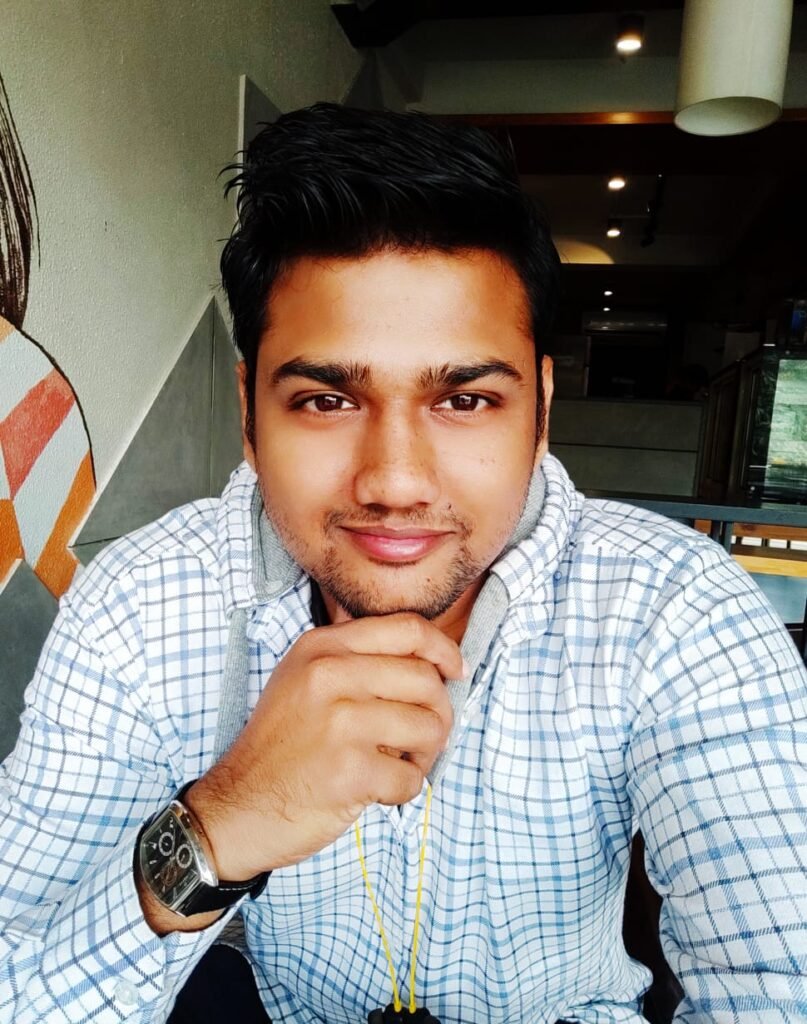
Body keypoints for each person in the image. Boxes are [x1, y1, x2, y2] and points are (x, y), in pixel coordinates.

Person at [0, 103, 805, 1024]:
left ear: (540, 410)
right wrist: (216, 826)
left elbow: (778, 981)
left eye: (463, 400)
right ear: (249, 414)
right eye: (325, 400)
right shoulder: (143, 602)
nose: (393, 482)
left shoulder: (672, 607)